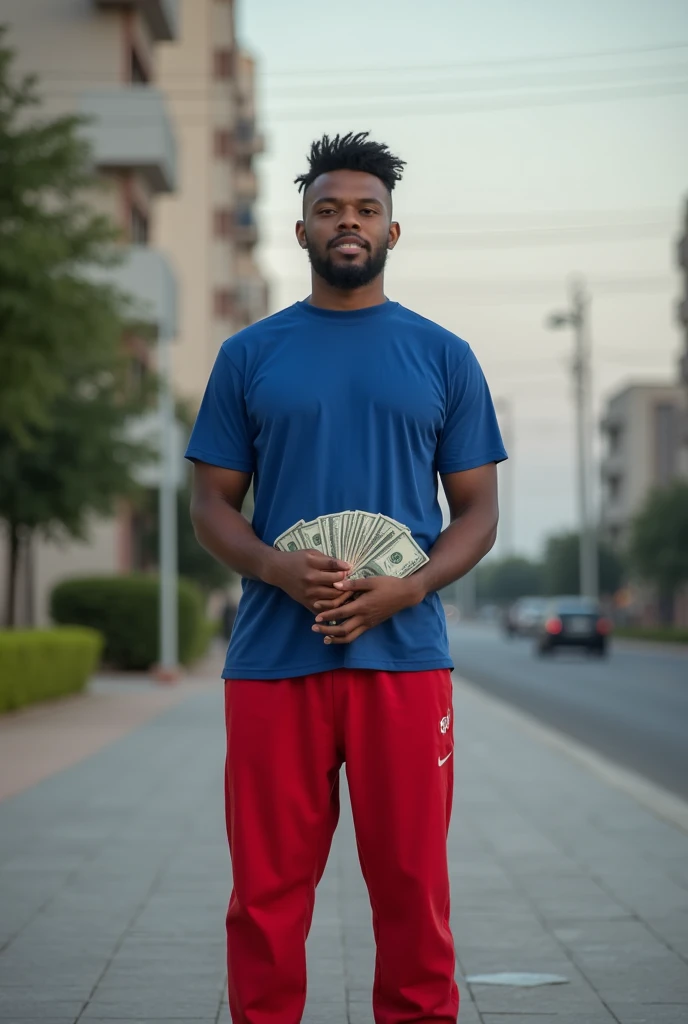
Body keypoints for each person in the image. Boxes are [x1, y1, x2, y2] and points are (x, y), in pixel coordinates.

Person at [186, 131, 507, 1024]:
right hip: (272, 660)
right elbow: (209, 503)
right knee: (264, 899)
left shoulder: (444, 356)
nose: (349, 223)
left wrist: (411, 586)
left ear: (393, 233)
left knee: (413, 898)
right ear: (300, 231)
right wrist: (275, 568)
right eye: (330, 210)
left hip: (405, 659)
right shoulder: (250, 355)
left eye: (366, 210)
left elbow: (477, 512)